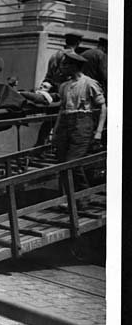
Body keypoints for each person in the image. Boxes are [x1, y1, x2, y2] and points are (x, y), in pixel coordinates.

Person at [53, 51, 106, 212]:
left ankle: (83, 198)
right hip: (65, 124)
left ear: (74, 66)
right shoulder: (64, 86)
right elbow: (61, 111)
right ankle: (69, 199)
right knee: (62, 163)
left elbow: (103, 108)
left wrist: (98, 133)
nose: (62, 68)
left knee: (72, 162)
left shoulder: (89, 83)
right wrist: (55, 132)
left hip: (82, 124)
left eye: (65, 65)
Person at [35, 32, 84, 147]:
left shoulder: (55, 55)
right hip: (65, 92)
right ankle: (55, 147)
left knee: (48, 122)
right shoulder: (72, 57)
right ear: (77, 43)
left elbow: (49, 75)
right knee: (63, 122)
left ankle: (40, 145)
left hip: (52, 91)